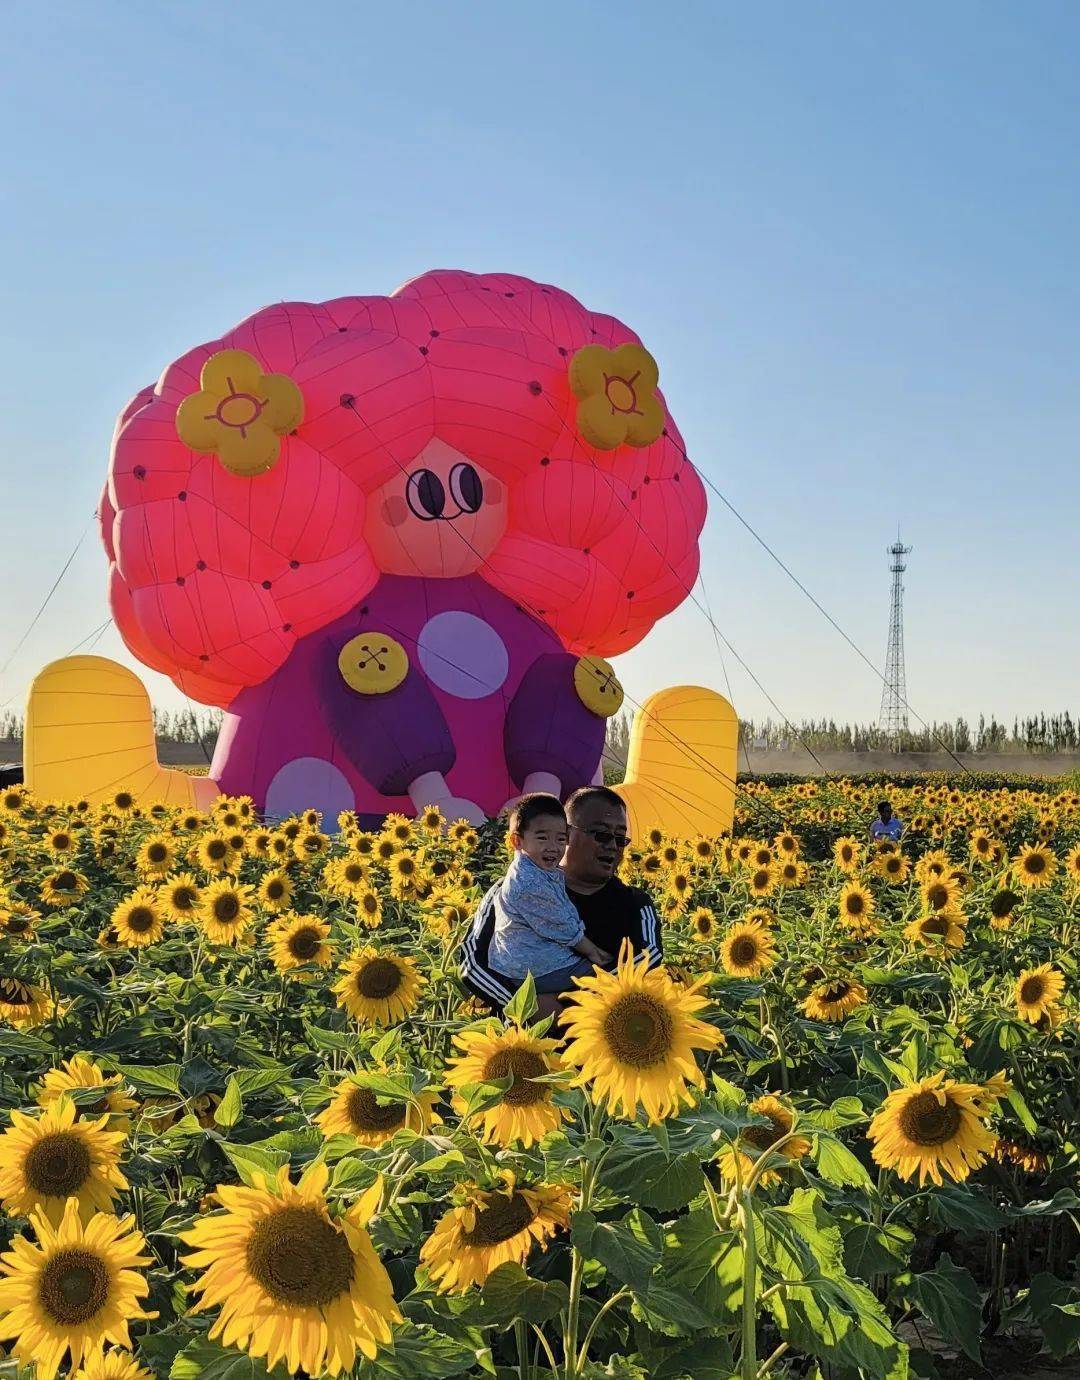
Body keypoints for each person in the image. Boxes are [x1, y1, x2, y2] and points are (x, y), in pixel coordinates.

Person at [460, 785, 662, 1013]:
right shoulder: (509, 890)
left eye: (620, 839)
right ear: (568, 833)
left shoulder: (634, 903)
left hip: (598, 1041)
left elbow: (648, 959)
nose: (612, 846)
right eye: (601, 834)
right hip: (521, 1042)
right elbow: (472, 964)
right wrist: (523, 1006)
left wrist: (568, 1004)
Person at [488, 794, 612, 992]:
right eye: (542, 838)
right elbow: (560, 925)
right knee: (607, 979)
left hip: (527, 957)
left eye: (561, 839)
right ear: (517, 841)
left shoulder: (534, 869)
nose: (553, 847)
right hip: (533, 968)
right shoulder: (528, 883)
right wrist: (594, 952)